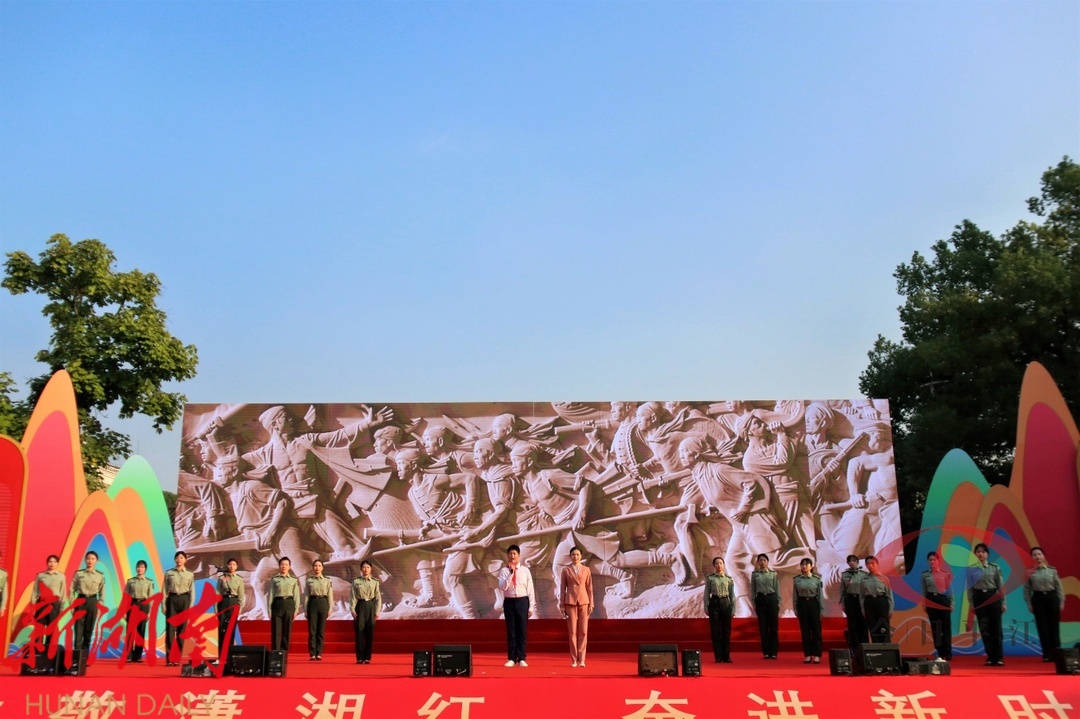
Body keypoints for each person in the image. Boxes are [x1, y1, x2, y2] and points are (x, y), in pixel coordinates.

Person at [967, 542, 1006, 666]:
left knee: (996, 628)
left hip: (993, 597)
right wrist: (972, 604)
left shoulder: (994, 568)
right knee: (984, 628)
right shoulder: (971, 570)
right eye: (978, 552)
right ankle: (990, 656)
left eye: (983, 552)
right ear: (975, 554)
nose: (981, 554)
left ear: (987, 554)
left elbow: (1001, 586)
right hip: (979, 598)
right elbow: (969, 589)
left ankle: (998, 657)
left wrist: (1003, 602)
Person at [498, 544, 536, 667]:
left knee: (522, 630)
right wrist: (510, 574)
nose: (512, 556)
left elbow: (530, 589)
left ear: (519, 555)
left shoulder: (525, 571)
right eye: (510, 554)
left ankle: (522, 658)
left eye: (514, 554)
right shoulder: (504, 571)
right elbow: (503, 587)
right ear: (507, 556)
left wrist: (531, 606)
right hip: (509, 602)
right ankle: (512, 658)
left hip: (522, 601)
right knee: (511, 631)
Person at [1024, 546, 1064, 663]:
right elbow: (1026, 590)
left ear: (1043, 556)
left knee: (1054, 627)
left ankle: (1057, 654)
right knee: (1042, 627)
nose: (1037, 557)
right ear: (1032, 557)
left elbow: (1059, 588)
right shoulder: (1029, 572)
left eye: (1039, 554)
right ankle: (1047, 654)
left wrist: (1061, 602)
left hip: (1052, 598)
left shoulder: (1052, 570)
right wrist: (1029, 603)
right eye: (1034, 555)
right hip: (1038, 599)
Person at [559, 546, 593, 668]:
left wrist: (591, 603)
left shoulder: (586, 570)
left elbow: (589, 588)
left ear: (581, 556)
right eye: (573, 555)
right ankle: (574, 659)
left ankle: (582, 659)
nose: (575, 557)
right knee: (572, 632)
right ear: (570, 556)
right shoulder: (566, 570)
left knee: (583, 631)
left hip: (584, 601)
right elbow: (562, 589)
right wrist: (562, 605)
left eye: (577, 554)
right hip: (570, 602)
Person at [163, 550, 195, 666]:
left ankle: (177, 659)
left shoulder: (190, 574)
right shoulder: (169, 573)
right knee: (170, 631)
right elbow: (164, 590)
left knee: (181, 631)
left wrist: (190, 607)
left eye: (181, 558)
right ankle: (169, 659)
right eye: (177, 558)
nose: (179, 560)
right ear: (174, 560)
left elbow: (192, 592)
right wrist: (163, 605)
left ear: (185, 560)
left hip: (184, 600)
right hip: (172, 600)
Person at [70, 550, 105, 653]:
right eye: (88, 558)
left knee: (89, 629)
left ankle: (85, 655)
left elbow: (102, 593)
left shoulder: (100, 575)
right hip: (80, 601)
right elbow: (71, 590)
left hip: (93, 602)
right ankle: (77, 654)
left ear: (96, 561)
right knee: (78, 629)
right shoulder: (78, 573)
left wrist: (99, 606)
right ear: (85, 560)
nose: (90, 561)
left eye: (93, 559)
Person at [922, 551, 953, 661]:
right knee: (936, 627)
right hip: (931, 600)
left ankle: (947, 652)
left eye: (934, 560)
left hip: (943, 600)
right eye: (930, 560)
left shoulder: (945, 574)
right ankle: (940, 651)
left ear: (938, 561)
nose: (932, 562)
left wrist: (952, 603)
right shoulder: (925, 575)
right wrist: (925, 604)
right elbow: (924, 591)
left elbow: (950, 590)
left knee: (946, 627)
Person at [703, 556, 735, 663]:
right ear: (714, 565)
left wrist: (733, 608)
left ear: (723, 565)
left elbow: (732, 595)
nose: (719, 565)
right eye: (716, 563)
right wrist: (706, 606)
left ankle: (726, 656)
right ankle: (718, 656)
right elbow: (706, 594)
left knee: (726, 630)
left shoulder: (729, 579)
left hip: (726, 602)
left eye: (721, 563)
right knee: (715, 630)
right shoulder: (710, 578)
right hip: (714, 603)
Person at [793, 557, 824, 664]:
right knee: (805, 631)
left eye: (806, 564)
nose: (804, 566)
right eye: (802, 564)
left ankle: (817, 654)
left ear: (811, 566)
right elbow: (795, 596)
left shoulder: (816, 579)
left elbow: (820, 596)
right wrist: (795, 608)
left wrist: (821, 610)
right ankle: (807, 654)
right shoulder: (797, 579)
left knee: (816, 630)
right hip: (802, 604)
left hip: (813, 604)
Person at [124, 560, 155, 662]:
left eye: (142, 567)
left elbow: (151, 598)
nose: (140, 569)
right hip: (132, 605)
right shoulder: (130, 581)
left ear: (145, 569)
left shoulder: (149, 582)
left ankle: (137, 656)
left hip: (144, 605)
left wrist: (149, 612)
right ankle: (129, 655)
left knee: (141, 631)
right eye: (138, 567)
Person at [350, 559, 381, 664]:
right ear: (361, 569)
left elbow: (378, 598)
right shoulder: (356, 581)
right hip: (360, 605)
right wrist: (352, 609)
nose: (366, 569)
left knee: (369, 633)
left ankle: (367, 657)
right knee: (359, 632)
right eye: (364, 567)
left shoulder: (375, 582)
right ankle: (359, 657)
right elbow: (353, 596)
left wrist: (377, 611)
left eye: (368, 567)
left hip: (371, 606)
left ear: (371, 569)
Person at [268, 556, 301, 652]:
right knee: (276, 630)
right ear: (279, 566)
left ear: (289, 567)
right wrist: (269, 610)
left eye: (286, 565)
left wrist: (296, 609)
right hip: (277, 604)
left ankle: (284, 653)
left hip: (289, 604)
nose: (284, 566)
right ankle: (275, 652)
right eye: (282, 564)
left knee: (287, 630)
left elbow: (296, 596)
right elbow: (271, 595)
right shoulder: (274, 579)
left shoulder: (294, 580)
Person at [216, 558, 245, 662]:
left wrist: (240, 607)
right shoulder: (222, 578)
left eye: (234, 564)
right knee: (221, 630)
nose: (232, 566)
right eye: (230, 564)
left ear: (236, 567)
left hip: (234, 603)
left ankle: (229, 656)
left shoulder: (239, 579)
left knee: (231, 630)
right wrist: (216, 608)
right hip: (223, 603)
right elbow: (217, 593)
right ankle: (221, 656)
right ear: (227, 566)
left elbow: (241, 595)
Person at [839, 555, 869, 654]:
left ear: (857, 562)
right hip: (850, 600)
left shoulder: (864, 574)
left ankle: (864, 647)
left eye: (853, 561)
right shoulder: (845, 575)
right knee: (852, 625)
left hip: (861, 599)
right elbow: (842, 590)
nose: (852, 563)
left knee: (863, 624)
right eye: (849, 561)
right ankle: (854, 649)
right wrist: (843, 604)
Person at [752, 554, 780, 659]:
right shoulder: (755, 575)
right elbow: (753, 589)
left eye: (764, 560)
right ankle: (766, 652)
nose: (762, 562)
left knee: (773, 627)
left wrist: (778, 602)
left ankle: (774, 652)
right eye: (760, 560)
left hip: (772, 599)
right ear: (758, 562)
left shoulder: (773, 574)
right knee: (763, 627)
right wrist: (754, 602)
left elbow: (777, 589)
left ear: (767, 562)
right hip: (760, 600)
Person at [861, 556, 893, 644]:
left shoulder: (884, 578)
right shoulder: (864, 579)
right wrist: (863, 609)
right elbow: (862, 597)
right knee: (873, 627)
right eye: (868, 564)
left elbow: (889, 595)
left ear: (877, 564)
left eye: (872, 563)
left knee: (883, 627)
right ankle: (876, 648)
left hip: (881, 602)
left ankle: (885, 648)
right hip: (869, 603)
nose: (870, 565)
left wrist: (890, 609)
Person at [306, 559, 332, 661]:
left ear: (322, 568)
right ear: (313, 568)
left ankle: (319, 653)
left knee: (320, 630)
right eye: (315, 566)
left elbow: (330, 595)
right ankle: (312, 653)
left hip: (323, 602)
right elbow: (307, 596)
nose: (317, 568)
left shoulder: (327, 580)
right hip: (312, 602)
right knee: (312, 630)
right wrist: (306, 609)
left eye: (319, 566)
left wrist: (330, 608)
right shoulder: (309, 580)